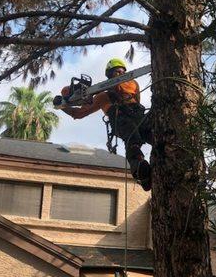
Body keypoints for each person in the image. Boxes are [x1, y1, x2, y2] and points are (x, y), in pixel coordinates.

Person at [60, 58, 152, 191]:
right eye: (116, 72)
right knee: (133, 139)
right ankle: (139, 168)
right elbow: (79, 113)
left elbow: (125, 88)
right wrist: (63, 105)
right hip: (121, 120)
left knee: (153, 134)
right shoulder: (102, 97)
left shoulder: (132, 83)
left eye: (122, 72)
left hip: (138, 116)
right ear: (109, 75)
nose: (120, 74)